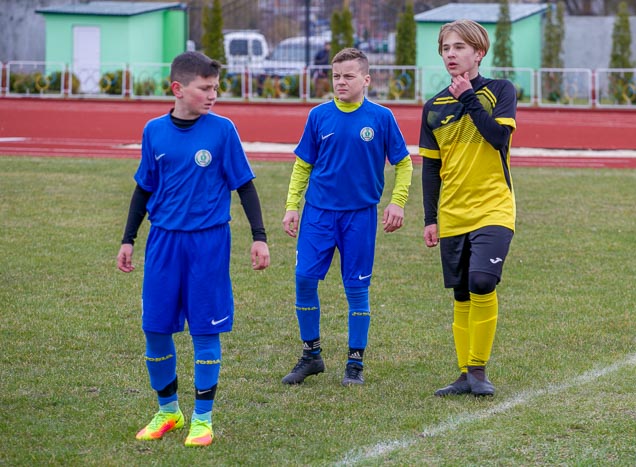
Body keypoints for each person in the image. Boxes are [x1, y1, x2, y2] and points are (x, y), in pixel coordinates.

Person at [116, 51, 270, 447]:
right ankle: (168, 410)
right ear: (178, 89)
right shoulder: (154, 131)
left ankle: (203, 418)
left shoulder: (222, 131)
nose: (212, 95)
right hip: (164, 241)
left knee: (205, 328)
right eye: (205, 88)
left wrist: (259, 236)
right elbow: (143, 188)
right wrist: (128, 239)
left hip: (208, 243)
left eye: (215, 88)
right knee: (155, 327)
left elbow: (245, 186)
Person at [281, 47, 413, 386]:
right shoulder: (319, 115)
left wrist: (397, 202)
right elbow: (302, 165)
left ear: (366, 79)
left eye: (348, 76)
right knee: (304, 279)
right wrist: (292, 206)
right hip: (318, 214)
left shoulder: (381, 118)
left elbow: (404, 162)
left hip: (360, 217)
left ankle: (355, 362)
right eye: (336, 76)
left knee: (356, 289)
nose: (340, 81)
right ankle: (311, 355)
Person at [419, 19, 517, 397]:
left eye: (458, 47)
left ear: (478, 52)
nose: (450, 54)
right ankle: (465, 374)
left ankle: (478, 369)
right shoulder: (433, 107)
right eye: (445, 48)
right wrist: (430, 218)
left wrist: (468, 98)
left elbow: (497, 138)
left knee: (482, 282)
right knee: (461, 292)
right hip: (453, 212)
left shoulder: (500, 91)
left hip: (494, 207)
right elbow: (431, 168)